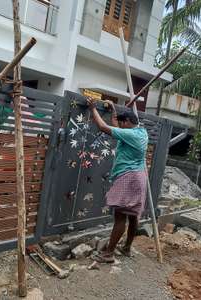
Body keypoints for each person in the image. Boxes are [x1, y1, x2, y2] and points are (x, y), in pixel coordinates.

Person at [86, 98, 148, 263]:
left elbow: (104, 127)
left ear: (127, 121)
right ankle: (126, 248)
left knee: (120, 216)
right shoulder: (141, 132)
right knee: (133, 216)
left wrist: (93, 109)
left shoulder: (130, 134)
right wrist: (113, 109)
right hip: (139, 177)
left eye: (122, 123)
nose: (120, 126)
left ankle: (108, 254)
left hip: (128, 177)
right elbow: (116, 126)